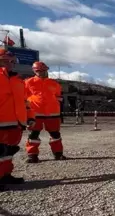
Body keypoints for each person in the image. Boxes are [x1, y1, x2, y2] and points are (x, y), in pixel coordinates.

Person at [0, 49, 32, 187]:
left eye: (12, 61)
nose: (9, 64)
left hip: (14, 122)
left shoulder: (18, 80)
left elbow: (25, 101)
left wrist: (30, 117)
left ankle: (5, 176)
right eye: (5, 61)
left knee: (8, 151)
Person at [24, 61, 66, 162]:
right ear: (34, 71)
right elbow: (23, 98)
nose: (41, 72)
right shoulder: (28, 82)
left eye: (43, 70)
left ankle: (58, 154)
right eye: (38, 71)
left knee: (55, 135)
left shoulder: (54, 83)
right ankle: (32, 155)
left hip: (53, 114)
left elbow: (59, 98)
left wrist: (61, 113)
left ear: (46, 70)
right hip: (35, 113)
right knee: (33, 135)